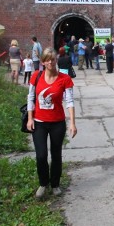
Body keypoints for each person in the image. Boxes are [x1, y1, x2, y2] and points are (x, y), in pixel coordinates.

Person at [26, 48, 77, 198]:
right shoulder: (36, 76)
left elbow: (70, 102)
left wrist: (72, 123)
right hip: (39, 123)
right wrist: (30, 118)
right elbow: (30, 98)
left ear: (56, 61)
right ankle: (43, 183)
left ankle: (55, 184)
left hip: (57, 123)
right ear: (42, 62)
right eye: (47, 59)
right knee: (41, 155)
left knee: (56, 155)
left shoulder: (65, 79)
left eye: (52, 59)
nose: (50, 62)